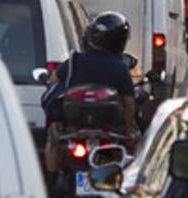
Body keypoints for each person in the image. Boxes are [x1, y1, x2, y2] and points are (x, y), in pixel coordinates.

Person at [44, 12, 137, 173]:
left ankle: (50, 182)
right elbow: (129, 103)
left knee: (53, 138)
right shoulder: (120, 67)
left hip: (73, 129)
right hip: (110, 131)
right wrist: (129, 133)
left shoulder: (75, 60)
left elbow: (53, 81)